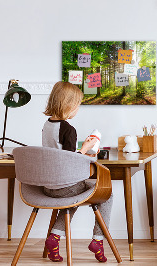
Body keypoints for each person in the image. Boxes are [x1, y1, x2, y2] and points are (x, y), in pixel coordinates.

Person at [42, 81, 112, 263]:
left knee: (73, 198)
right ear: (69, 105)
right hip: (65, 186)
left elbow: (59, 154)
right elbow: (69, 161)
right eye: (78, 104)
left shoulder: (47, 125)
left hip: (48, 186)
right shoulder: (68, 129)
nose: (78, 109)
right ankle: (98, 240)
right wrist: (86, 149)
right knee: (107, 194)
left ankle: (54, 238)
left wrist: (81, 149)